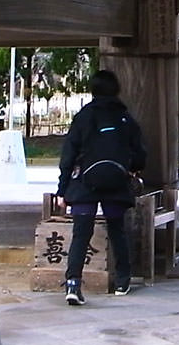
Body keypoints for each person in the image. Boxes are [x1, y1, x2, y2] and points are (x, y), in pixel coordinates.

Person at [56, 68, 147, 305]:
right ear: (117, 89)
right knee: (117, 230)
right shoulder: (125, 118)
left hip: (85, 183)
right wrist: (132, 168)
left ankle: (73, 283)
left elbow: (68, 156)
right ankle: (122, 280)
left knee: (81, 233)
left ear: (93, 90)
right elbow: (139, 154)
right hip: (116, 184)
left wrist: (62, 190)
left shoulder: (83, 117)